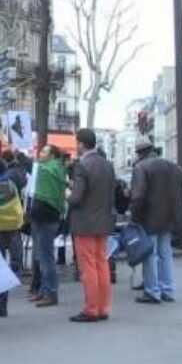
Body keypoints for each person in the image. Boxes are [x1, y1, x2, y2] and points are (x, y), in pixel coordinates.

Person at [66, 129, 116, 322]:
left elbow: (77, 197)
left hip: (85, 222)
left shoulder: (82, 166)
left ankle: (91, 308)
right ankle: (103, 307)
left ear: (80, 144)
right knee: (101, 264)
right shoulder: (107, 165)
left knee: (87, 267)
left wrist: (67, 195)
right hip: (103, 220)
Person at [130, 138, 182, 304]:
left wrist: (134, 215)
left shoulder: (141, 167)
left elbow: (138, 195)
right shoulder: (171, 166)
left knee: (150, 255)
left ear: (140, 153)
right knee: (165, 254)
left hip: (149, 217)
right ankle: (167, 289)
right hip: (168, 216)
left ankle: (152, 291)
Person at [0, 157, 24, 318]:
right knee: (12, 262)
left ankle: (0, 304)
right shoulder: (10, 184)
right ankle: (3, 300)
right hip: (13, 227)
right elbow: (17, 203)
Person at [29, 145, 67, 308]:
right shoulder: (48, 168)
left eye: (44, 151)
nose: (40, 154)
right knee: (40, 254)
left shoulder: (50, 169)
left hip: (47, 216)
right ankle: (44, 290)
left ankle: (51, 292)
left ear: (52, 155)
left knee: (46, 257)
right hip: (40, 215)